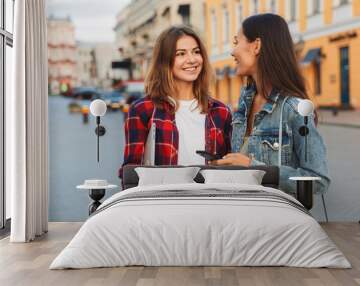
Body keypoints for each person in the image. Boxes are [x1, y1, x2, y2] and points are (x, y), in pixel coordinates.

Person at [213, 14, 330, 194]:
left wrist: (255, 168)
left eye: (237, 42)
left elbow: (318, 180)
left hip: (277, 217)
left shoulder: (294, 109)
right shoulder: (244, 105)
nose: (232, 51)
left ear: (256, 46)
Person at [119, 26, 232, 177]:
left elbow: (229, 169)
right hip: (164, 199)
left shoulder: (221, 112)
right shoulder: (143, 110)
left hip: (209, 199)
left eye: (196, 52)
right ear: (165, 61)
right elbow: (131, 173)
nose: (192, 59)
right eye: (181, 54)